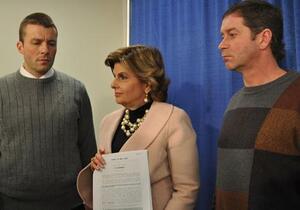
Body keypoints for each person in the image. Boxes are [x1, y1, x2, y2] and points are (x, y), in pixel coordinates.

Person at [76, 45, 200, 210]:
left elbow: (186, 190)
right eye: (114, 76)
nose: (113, 84)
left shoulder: (175, 119)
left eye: (123, 77)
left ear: (147, 84)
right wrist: (96, 167)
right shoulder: (107, 122)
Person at [0, 13, 97, 210]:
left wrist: (92, 198)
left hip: (69, 202)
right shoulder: (2, 90)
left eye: (51, 43)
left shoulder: (76, 90)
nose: (45, 50)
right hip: (12, 202)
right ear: (20, 46)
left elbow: (88, 149)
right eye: (36, 42)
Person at [216, 0, 300, 209]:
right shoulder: (235, 102)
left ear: (263, 38)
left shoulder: (297, 94)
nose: (222, 44)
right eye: (222, 36)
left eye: (232, 34)